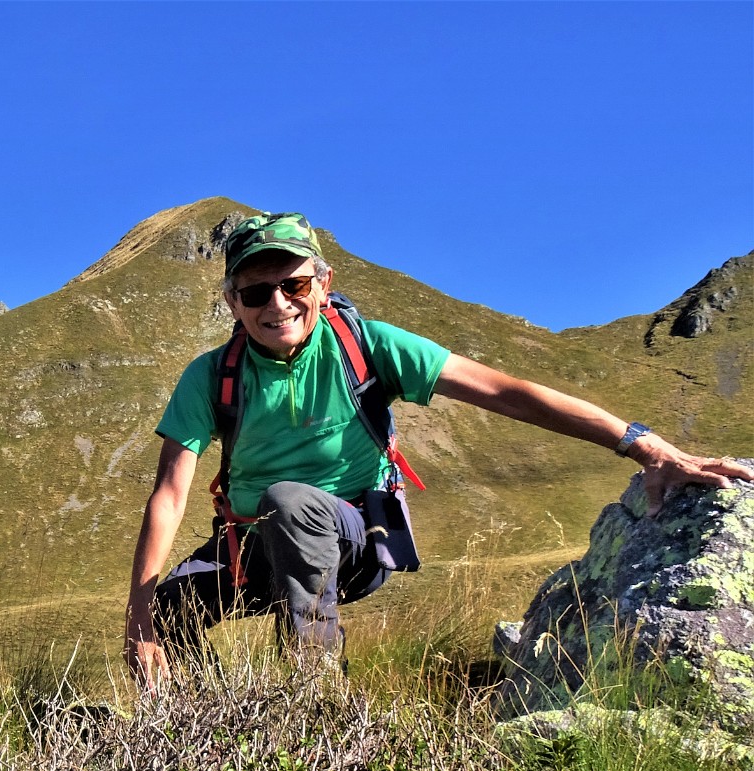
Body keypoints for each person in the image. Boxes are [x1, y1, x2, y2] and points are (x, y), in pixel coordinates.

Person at [124, 211, 753, 688]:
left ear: (322, 282)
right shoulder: (212, 375)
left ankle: (312, 705)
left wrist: (644, 445)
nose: (277, 304)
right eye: (256, 292)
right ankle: (213, 731)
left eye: (292, 284)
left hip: (349, 538)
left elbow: (508, 393)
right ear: (233, 302)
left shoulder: (366, 346)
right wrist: (139, 617)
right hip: (252, 543)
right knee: (169, 609)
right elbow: (171, 492)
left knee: (290, 502)